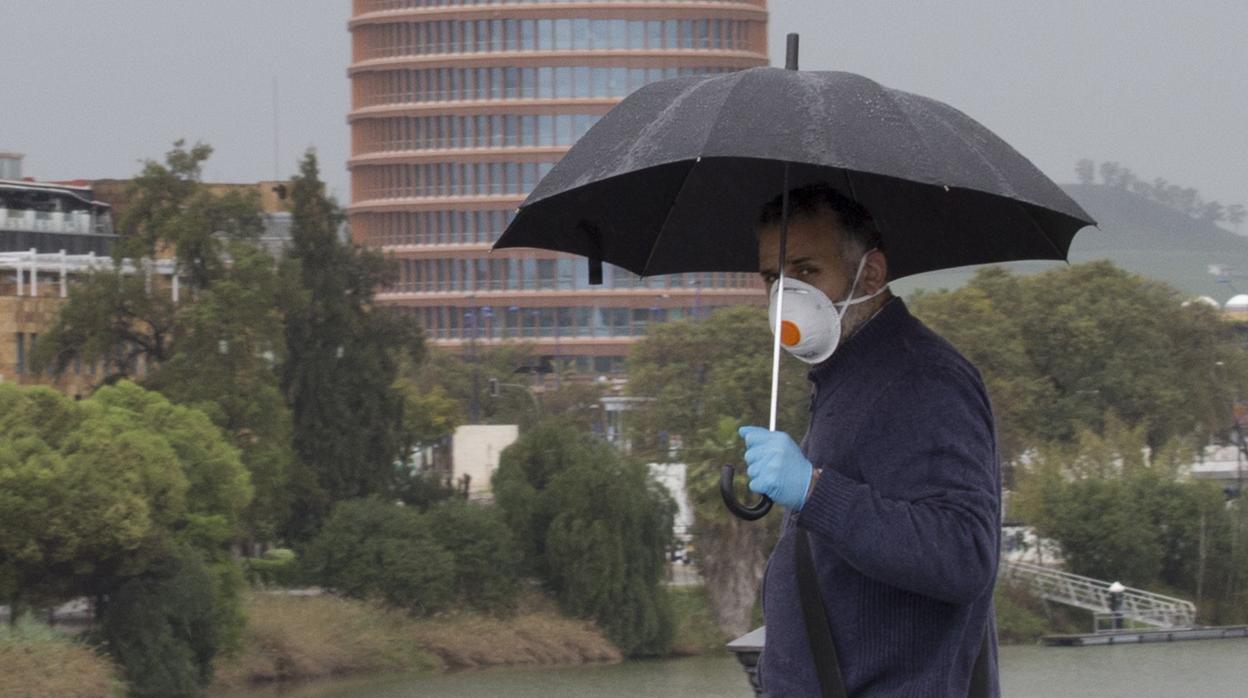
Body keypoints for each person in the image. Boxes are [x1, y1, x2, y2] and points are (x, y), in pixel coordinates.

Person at [740, 183, 1001, 697]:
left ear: (872, 272)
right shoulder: (849, 376)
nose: (787, 295)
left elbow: (964, 554)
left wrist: (815, 493)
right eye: (773, 276)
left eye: (807, 271)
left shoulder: (922, 379)